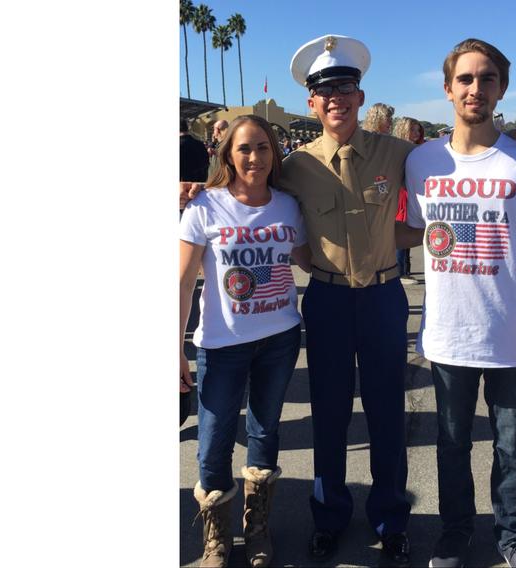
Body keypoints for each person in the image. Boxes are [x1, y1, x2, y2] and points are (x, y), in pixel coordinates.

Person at [279, 34, 414, 565]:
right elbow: (244, 196)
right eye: (324, 90)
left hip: (383, 298)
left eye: (345, 87)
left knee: (386, 414)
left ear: (361, 97)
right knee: (329, 415)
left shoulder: (399, 153)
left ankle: (391, 519)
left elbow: (460, 163)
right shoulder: (293, 166)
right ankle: (329, 515)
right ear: (310, 103)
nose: (335, 97)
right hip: (329, 302)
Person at [397, 38, 516, 568]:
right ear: (448, 87)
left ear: (502, 88)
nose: (476, 88)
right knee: (451, 445)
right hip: (450, 332)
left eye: (488, 78)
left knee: (512, 449)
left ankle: (512, 535)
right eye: (466, 79)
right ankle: (455, 533)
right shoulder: (421, 160)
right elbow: (411, 230)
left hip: (514, 334)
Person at [179, 114, 312, 568]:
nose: (254, 157)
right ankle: (216, 534)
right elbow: (181, 282)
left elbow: (310, 257)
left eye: (262, 147)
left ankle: (257, 526)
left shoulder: (288, 206)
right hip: (222, 344)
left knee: (264, 430)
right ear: (227, 155)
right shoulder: (204, 206)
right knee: (213, 440)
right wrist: (173, 346)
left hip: (279, 337)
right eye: (243, 149)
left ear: (274, 152)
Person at [391, 117, 426, 283]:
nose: (416, 133)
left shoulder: (419, 148)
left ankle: (405, 270)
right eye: (413, 129)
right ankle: (400, 272)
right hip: (400, 194)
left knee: (412, 228)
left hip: (413, 193)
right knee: (402, 228)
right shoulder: (396, 148)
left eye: (418, 130)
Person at [180, 117, 211, 184]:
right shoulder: (200, 144)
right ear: (187, 128)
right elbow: (206, 164)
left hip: (183, 187)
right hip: (201, 185)